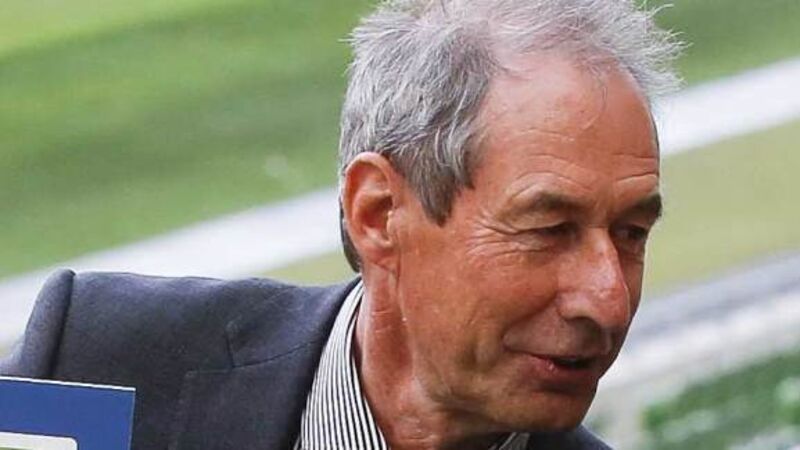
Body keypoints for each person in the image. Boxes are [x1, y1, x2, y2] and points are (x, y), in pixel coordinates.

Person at [1, 0, 680, 449]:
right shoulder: (96, 363)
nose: (608, 299)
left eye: (631, 234)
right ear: (378, 213)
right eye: (548, 229)